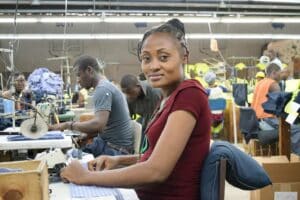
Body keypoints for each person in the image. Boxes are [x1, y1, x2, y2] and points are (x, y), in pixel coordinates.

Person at [60, 19, 211, 200]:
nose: (153, 66)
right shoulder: (167, 98)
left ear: (184, 57)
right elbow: (154, 156)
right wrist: (118, 160)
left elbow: (156, 171)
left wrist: (87, 177)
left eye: (164, 57)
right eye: (146, 58)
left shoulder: (189, 95)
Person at [49, 55, 133, 157]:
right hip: (109, 144)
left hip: (115, 150)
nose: (78, 80)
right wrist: (86, 136)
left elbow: (99, 125)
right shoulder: (106, 86)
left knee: (65, 161)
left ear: (89, 70)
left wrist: (67, 125)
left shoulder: (102, 89)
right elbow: (106, 127)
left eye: (79, 75)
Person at [251, 63, 281, 129]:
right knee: (290, 129)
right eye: (279, 73)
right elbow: (280, 105)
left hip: (255, 120)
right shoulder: (273, 84)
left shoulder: (259, 83)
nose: (280, 76)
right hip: (267, 120)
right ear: (274, 73)